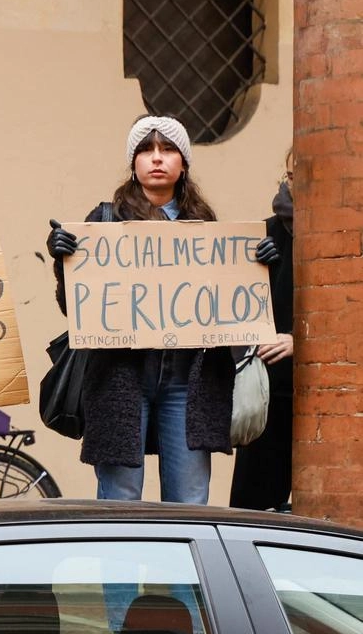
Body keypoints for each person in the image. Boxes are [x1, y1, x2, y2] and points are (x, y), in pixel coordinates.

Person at [46, 115, 280, 507]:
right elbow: (76, 311)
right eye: (146, 149)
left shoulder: (206, 227)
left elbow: (230, 310)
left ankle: (180, 574)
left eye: (168, 149)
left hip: (187, 382)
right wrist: (64, 262)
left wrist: (258, 267)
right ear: (133, 163)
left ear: (184, 163)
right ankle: (121, 573)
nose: (157, 158)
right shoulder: (103, 222)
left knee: (189, 502)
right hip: (121, 379)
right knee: (120, 502)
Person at [230, 148, 295, 511]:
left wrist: (300, 343)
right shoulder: (263, 235)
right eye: (290, 176)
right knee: (253, 510)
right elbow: (234, 311)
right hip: (267, 394)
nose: (295, 185)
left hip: (325, 394)